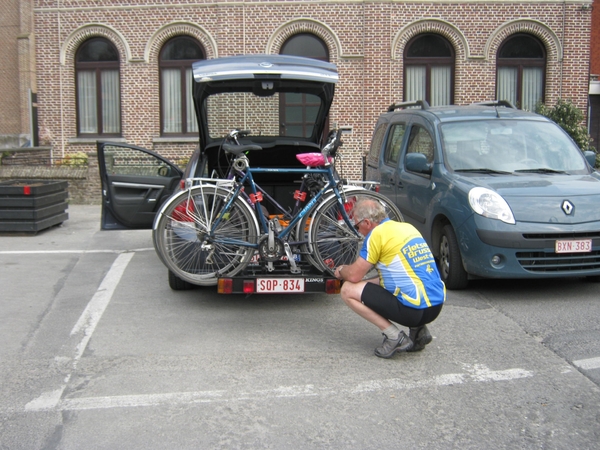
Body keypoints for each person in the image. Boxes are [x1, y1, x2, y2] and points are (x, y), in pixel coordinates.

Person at [334, 199, 446, 358]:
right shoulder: (407, 227)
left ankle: (395, 337)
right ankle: (419, 331)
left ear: (367, 222)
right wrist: (363, 286)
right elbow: (393, 277)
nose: (358, 231)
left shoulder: (376, 235)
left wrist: (341, 270)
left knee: (347, 290)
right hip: (435, 307)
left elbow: (353, 275)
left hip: (413, 311)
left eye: (357, 226)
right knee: (364, 286)